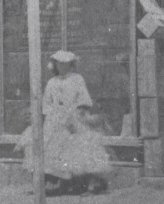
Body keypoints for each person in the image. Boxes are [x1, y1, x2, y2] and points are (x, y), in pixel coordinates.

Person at [19, 50, 112, 195]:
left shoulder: (77, 79)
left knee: (80, 145)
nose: (62, 66)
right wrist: (52, 115)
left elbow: (83, 100)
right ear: (55, 65)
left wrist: (74, 115)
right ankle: (49, 184)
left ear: (71, 64)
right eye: (59, 64)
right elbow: (46, 103)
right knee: (45, 144)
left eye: (65, 64)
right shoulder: (52, 82)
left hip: (74, 117)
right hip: (54, 119)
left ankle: (90, 185)